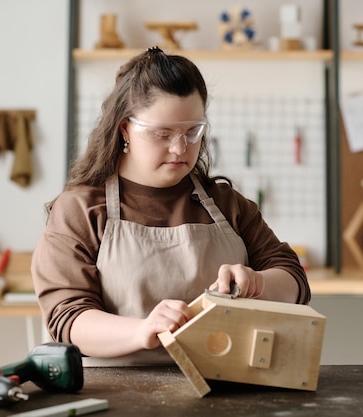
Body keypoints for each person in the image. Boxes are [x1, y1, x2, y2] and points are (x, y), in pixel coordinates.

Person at [32, 46, 310, 365]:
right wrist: (142, 330)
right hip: (117, 395)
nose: (180, 148)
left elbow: (295, 284)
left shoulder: (227, 205)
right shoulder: (80, 211)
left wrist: (258, 282)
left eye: (192, 131)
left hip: (225, 390)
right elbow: (67, 319)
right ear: (125, 128)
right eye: (162, 133)